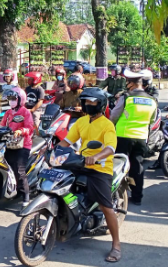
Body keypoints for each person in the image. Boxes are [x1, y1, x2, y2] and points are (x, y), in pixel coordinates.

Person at [59, 87, 121, 263]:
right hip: (80, 162)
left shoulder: (107, 125)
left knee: (106, 206)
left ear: (100, 104)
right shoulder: (81, 121)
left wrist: (96, 157)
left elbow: (110, 148)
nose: (87, 105)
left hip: (100, 168)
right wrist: (53, 150)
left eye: (91, 102)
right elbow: (67, 141)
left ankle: (116, 245)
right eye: (86, 102)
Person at [110, 69, 156, 206]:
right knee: (137, 167)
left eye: (128, 82)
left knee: (119, 166)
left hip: (123, 136)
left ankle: (118, 194)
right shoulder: (152, 100)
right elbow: (152, 120)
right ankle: (137, 197)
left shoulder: (127, 97)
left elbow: (113, 116)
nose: (127, 85)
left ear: (133, 84)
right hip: (141, 138)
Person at [0, 87, 35, 206]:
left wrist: (20, 131)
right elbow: (2, 125)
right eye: (10, 99)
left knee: (19, 170)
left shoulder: (25, 112)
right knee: (6, 167)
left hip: (23, 145)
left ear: (20, 99)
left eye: (14, 99)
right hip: (10, 143)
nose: (11, 101)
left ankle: (26, 197)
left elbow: (30, 128)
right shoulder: (8, 112)